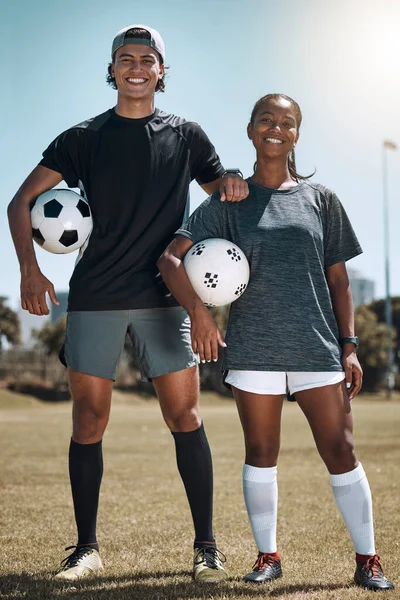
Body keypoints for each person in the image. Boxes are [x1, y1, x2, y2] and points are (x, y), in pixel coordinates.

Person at [7, 24, 249, 583]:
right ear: (112, 69)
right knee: (89, 419)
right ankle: (86, 548)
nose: (136, 67)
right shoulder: (84, 137)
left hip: (166, 296)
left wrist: (234, 182)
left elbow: (222, 195)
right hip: (96, 294)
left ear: (161, 72)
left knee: (182, 414)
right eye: (125, 58)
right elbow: (22, 201)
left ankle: (206, 547)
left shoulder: (187, 135)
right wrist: (29, 268)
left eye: (147, 59)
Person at [157, 93, 394, 591]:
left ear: (297, 135)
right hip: (255, 351)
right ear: (250, 130)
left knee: (341, 450)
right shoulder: (228, 201)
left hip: (317, 348)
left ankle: (368, 559)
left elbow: (340, 282)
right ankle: (268, 557)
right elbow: (170, 259)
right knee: (261, 451)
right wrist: (199, 314)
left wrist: (349, 345)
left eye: (287, 122)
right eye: (266, 119)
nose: (276, 128)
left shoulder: (321, 199)